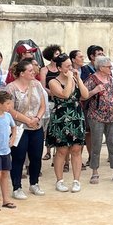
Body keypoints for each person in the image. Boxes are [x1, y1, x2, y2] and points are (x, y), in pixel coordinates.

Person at [45, 54, 89, 193]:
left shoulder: (75, 78)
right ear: (59, 68)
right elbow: (65, 94)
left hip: (76, 116)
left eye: (71, 65)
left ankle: (76, 180)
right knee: (62, 150)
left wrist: (78, 79)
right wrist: (70, 78)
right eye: (67, 66)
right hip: (61, 118)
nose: (71, 68)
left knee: (76, 149)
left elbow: (85, 95)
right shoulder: (53, 82)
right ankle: (60, 180)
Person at [7, 58, 48, 199]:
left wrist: (37, 118)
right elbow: (10, 109)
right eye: (30, 70)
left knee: (36, 156)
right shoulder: (11, 88)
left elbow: (43, 105)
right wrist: (27, 120)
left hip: (36, 126)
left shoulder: (36, 85)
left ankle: (34, 183)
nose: (34, 72)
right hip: (19, 128)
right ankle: (16, 187)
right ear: (22, 73)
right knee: (18, 157)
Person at [84, 56, 113, 185]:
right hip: (96, 116)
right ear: (101, 68)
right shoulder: (92, 80)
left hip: (111, 116)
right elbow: (83, 96)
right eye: (108, 66)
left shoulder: (110, 78)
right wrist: (94, 91)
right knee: (97, 144)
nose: (110, 68)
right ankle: (95, 172)